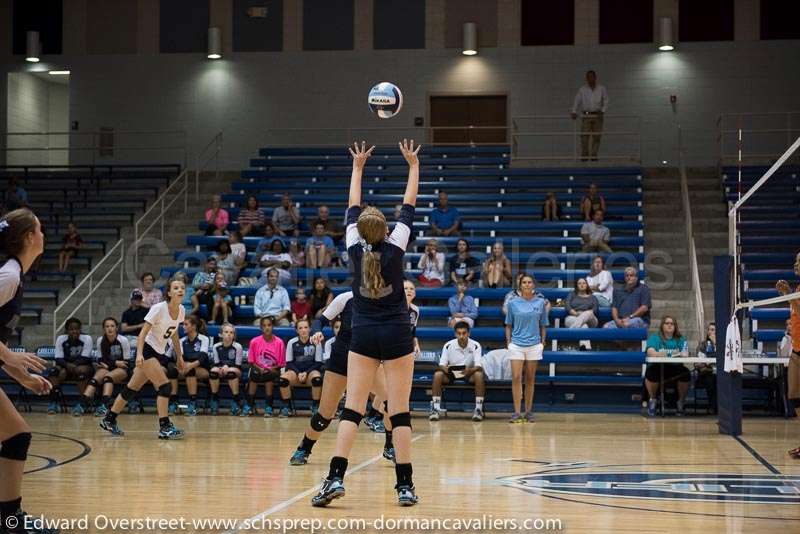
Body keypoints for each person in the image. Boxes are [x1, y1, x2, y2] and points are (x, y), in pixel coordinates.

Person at [311, 139, 421, 508]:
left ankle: (334, 479)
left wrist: (357, 167)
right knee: (399, 411)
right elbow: (409, 205)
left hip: (363, 333)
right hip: (396, 334)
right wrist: (413, 166)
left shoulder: (353, 246)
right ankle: (405, 486)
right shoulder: (397, 246)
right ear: (386, 230)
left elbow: (351, 205)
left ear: (360, 230)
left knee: (353, 409)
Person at [0, 208, 62, 534]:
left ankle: (9, 518)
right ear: (28, 237)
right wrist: (11, 356)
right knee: (15, 435)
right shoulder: (8, 276)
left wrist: (23, 377)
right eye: (39, 228)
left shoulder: (14, 275)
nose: (43, 234)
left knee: (16, 435)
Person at [100, 277, 187, 439]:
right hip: (147, 351)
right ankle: (164, 427)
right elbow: (142, 334)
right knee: (165, 387)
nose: (180, 290)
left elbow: (174, 333)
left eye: (182, 287)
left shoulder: (181, 310)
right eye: (176, 288)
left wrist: (179, 356)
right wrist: (139, 354)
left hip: (158, 353)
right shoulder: (158, 308)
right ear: (168, 292)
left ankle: (109, 419)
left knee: (131, 389)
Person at [505, 273, 548, 424]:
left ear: (533, 285)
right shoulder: (512, 303)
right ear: (520, 285)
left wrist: (542, 343)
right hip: (516, 344)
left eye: (530, 282)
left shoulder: (540, 303)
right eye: (524, 282)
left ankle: (528, 411)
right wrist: (509, 343)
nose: (527, 284)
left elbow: (543, 325)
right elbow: (508, 325)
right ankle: (517, 412)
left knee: (530, 379)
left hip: (534, 345)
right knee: (516, 378)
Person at [429, 321, 485, 422]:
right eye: (459, 333)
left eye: (464, 333)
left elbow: (478, 366)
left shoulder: (476, 345)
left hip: (469, 373)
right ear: (455, 334)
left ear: (469, 333)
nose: (461, 336)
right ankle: (435, 409)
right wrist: (446, 368)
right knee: (438, 375)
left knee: (479, 375)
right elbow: (441, 364)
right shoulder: (448, 345)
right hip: (452, 374)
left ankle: (478, 409)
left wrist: (470, 370)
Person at [81, 318, 131, 417]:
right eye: (107, 326)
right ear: (103, 329)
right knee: (95, 379)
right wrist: (116, 362)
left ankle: (105, 406)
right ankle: (82, 403)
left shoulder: (123, 340)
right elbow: (100, 360)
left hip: (123, 370)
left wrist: (110, 364)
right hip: (108, 367)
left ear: (116, 328)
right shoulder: (101, 340)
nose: (110, 329)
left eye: (112, 326)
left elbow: (126, 363)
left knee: (108, 377)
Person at [776, 251, 800, 458]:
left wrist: (789, 295)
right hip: (797, 349)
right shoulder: (798, 290)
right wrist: (788, 295)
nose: (796, 264)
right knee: (794, 396)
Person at [644, 316, 689, 417]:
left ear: (675, 326)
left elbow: (685, 353)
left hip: (675, 368)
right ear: (662, 326)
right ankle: (653, 400)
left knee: (686, 373)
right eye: (667, 323)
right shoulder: (655, 337)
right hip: (658, 367)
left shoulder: (680, 339)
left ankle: (680, 402)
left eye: (672, 324)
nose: (669, 325)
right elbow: (650, 352)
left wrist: (663, 353)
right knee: (651, 373)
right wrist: (669, 354)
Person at [48, 317, 94, 416]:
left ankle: (83, 403)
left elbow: (85, 358)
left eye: (77, 329)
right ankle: (54, 402)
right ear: (67, 330)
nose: (74, 331)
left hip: (83, 366)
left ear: (80, 329)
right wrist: (67, 365)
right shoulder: (61, 339)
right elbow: (58, 358)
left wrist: (72, 366)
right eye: (71, 329)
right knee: (53, 371)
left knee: (80, 371)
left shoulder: (87, 338)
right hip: (66, 366)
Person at [166, 315, 211, 417]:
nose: (183, 326)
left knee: (190, 371)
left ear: (194, 326)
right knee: (172, 371)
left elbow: (202, 357)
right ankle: (174, 402)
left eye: (186, 324)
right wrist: (181, 366)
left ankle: (193, 404)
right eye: (183, 324)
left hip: (202, 368)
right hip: (185, 367)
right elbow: (180, 356)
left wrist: (189, 366)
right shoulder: (182, 340)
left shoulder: (203, 339)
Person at [242, 316, 286, 417]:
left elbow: (281, 363)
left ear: (273, 327)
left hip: (273, 369)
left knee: (269, 376)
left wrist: (270, 369)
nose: (267, 328)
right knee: (254, 374)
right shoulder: (254, 341)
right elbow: (251, 361)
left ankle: (268, 406)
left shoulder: (279, 342)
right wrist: (260, 368)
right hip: (257, 368)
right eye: (264, 326)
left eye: (269, 325)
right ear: (261, 328)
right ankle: (249, 404)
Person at [279, 319, 323, 417]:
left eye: (306, 327)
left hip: (310, 373)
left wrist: (306, 373)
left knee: (317, 379)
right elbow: (289, 362)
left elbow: (318, 363)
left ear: (310, 329)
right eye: (300, 328)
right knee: (283, 380)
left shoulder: (316, 342)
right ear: (296, 330)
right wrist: (298, 373)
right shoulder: (292, 342)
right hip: (295, 373)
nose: (303, 330)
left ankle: (315, 406)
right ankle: (287, 407)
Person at [571, 69, 609, 161]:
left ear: (595, 77)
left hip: (598, 115)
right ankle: (584, 156)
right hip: (586, 115)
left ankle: (593, 156)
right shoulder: (582, 89)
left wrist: (603, 110)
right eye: (588, 77)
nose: (590, 79)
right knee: (584, 137)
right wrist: (574, 111)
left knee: (597, 137)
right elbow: (577, 100)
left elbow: (606, 100)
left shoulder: (601, 88)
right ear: (586, 78)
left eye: (592, 77)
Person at [209, 323, 245, 415]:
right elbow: (216, 363)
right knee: (213, 372)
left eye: (231, 332)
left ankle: (235, 400)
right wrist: (221, 368)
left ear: (234, 335)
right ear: (220, 334)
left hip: (236, 370)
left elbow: (238, 365)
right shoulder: (216, 346)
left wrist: (227, 367)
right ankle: (215, 399)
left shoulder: (237, 347)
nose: (229, 334)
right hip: (221, 368)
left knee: (231, 372)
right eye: (226, 332)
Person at [564, 278, 599, 350]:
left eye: (584, 283)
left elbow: (595, 309)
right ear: (577, 286)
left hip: (591, 320)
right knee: (584, 326)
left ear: (587, 285)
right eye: (579, 283)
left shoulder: (593, 297)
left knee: (589, 313)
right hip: (573, 317)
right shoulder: (572, 295)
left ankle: (570, 333)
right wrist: (576, 314)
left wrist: (583, 314)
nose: (582, 285)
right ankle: (585, 347)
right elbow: (567, 306)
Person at [695, 322, 717, 412]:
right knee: (710, 380)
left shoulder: (724, 344)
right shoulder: (703, 345)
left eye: (712, 330)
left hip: (721, 372)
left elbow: (725, 357)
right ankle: (713, 407)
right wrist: (706, 364)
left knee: (721, 379)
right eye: (709, 330)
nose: (709, 332)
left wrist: (715, 343)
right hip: (706, 372)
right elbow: (698, 362)